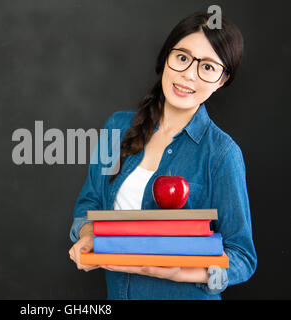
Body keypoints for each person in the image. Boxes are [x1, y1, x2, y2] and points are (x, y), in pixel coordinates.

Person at [68, 11, 257, 300]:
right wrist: (88, 237)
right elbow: (90, 202)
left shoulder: (222, 154)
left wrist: (181, 272)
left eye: (207, 67)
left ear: (222, 79)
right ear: (166, 57)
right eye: (182, 58)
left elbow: (242, 256)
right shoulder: (117, 127)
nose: (188, 75)